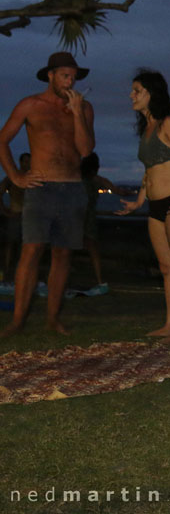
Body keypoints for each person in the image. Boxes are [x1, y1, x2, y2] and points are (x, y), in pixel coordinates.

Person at [0, 52, 95, 336]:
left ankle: (53, 318)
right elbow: (3, 140)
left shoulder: (85, 108)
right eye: (65, 75)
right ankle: (18, 320)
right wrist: (16, 176)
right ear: (50, 75)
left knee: (63, 254)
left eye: (73, 76)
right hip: (41, 188)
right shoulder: (31, 105)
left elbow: (86, 150)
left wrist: (77, 113)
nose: (70, 80)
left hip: (72, 187)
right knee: (30, 252)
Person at [116, 70, 170, 345]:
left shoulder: (169, 122)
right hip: (155, 204)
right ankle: (169, 324)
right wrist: (139, 200)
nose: (131, 95)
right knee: (166, 268)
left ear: (151, 93)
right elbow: (149, 170)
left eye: (137, 90)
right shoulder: (147, 128)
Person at [80, 152, 115, 293]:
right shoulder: (95, 180)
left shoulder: (79, 179)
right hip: (87, 217)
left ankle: (100, 280)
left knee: (65, 249)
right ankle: (100, 280)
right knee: (93, 250)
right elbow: (115, 188)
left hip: (77, 216)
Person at [0, 152, 30, 280]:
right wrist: (4, 210)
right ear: (21, 162)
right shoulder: (12, 178)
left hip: (30, 218)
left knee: (27, 246)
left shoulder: (33, 179)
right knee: (11, 244)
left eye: (30, 161)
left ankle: (22, 272)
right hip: (15, 214)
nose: (28, 164)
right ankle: (7, 270)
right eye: (26, 161)